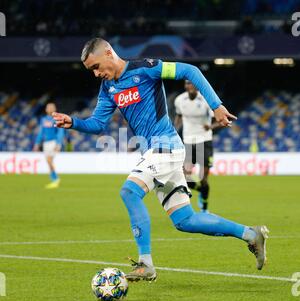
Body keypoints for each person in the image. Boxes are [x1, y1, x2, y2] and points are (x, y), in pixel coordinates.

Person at [53, 38, 269, 281]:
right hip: (154, 152)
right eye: (90, 70)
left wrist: (216, 106)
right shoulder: (108, 88)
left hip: (166, 146)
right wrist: (73, 123)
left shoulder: (146, 68)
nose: (95, 74)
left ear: (108, 52)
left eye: (96, 67)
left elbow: (190, 70)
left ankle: (146, 264)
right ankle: (250, 234)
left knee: (129, 192)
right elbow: (97, 124)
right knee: (185, 220)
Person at [174, 80, 221, 212]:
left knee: (203, 178)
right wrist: (174, 130)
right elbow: (178, 117)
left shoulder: (206, 100)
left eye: (193, 83)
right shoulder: (179, 100)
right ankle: (201, 190)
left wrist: (210, 126)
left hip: (205, 140)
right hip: (188, 141)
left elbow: (220, 120)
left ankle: (205, 208)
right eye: (188, 83)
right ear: (185, 86)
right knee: (185, 177)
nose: (190, 86)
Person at [33, 102, 65, 189]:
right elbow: (41, 132)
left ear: (55, 109)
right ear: (46, 109)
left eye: (52, 107)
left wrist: (58, 144)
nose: (50, 109)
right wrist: (37, 143)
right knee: (48, 161)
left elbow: (60, 132)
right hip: (45, 143)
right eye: (48, 107)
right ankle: (53, 180)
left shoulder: (57, 119)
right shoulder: (43, 119)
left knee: (49, 160)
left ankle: (56, 179)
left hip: (53, 142)